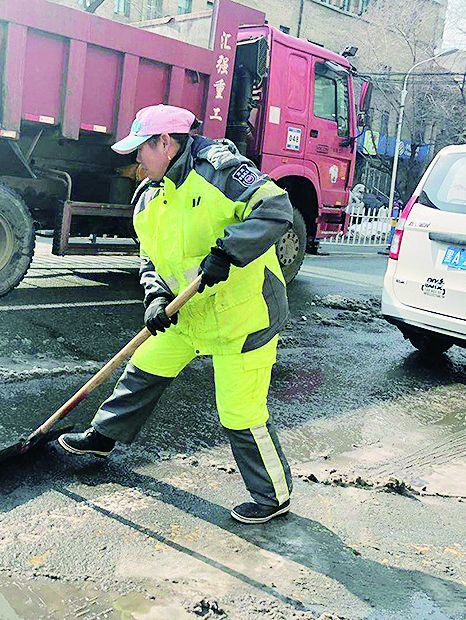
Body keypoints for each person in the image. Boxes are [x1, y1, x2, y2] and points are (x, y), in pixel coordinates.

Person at [58, 104, 295, 524]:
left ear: (166, 143)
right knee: (144, 366)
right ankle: (101, 438)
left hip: (245, 315)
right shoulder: (149, 198)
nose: (137, 160)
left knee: (240, 411)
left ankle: (272, 495)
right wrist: (153, 297)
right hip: (187, 312)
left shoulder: (221, 171)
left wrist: (229, 250)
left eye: (142, 149)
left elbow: (276, 209)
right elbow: (151, 259)